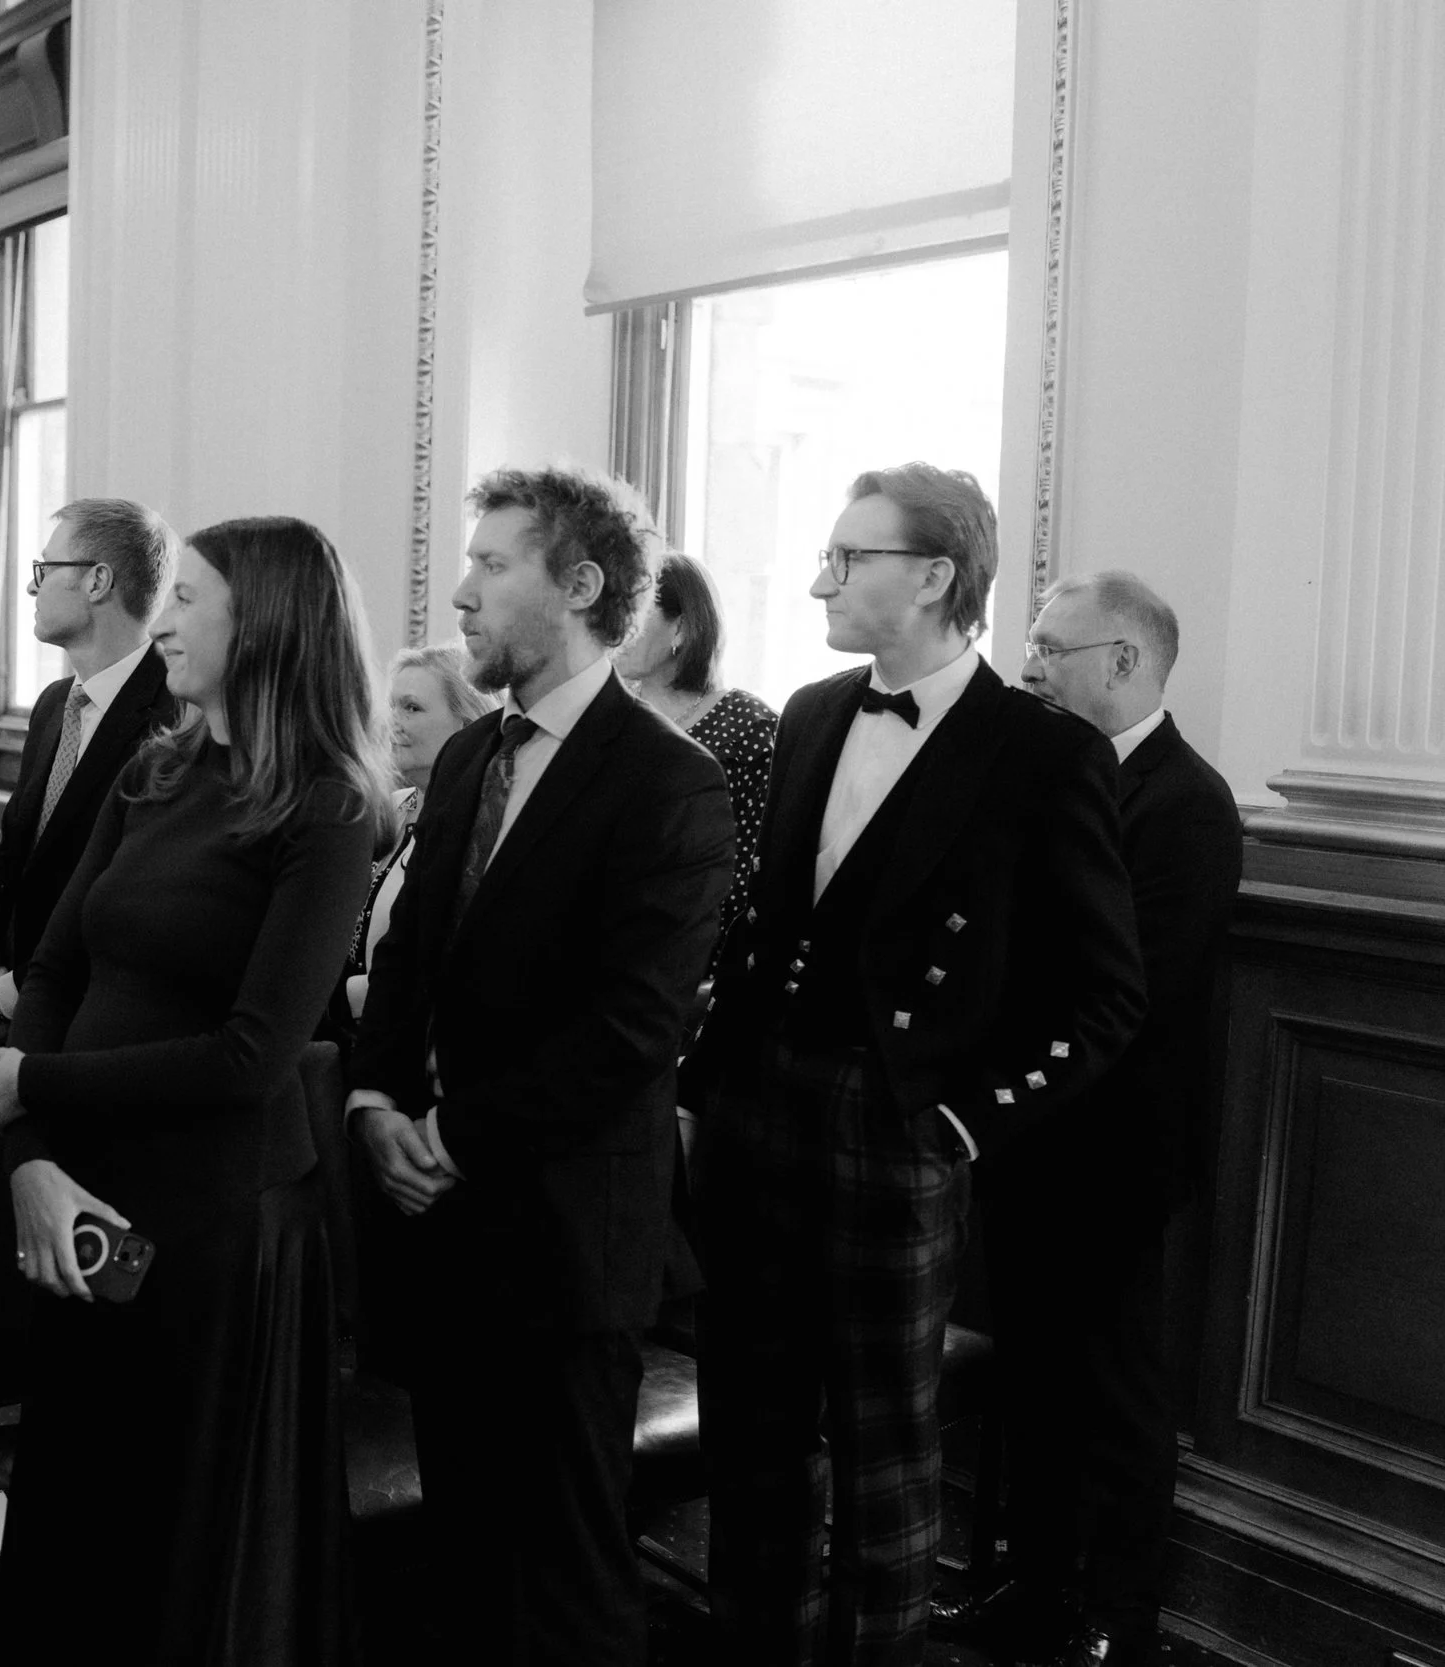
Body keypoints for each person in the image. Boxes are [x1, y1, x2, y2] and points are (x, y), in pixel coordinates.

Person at [680, 464, 1147, 1664]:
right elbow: (763, 926)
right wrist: (706, 1083)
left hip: (898, 1129)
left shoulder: (1040, 751)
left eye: (849, 557)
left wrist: (967, 1124)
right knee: (752, 1430)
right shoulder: (813, 710)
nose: (821, 577)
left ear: (934, 576)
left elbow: (1107, 997)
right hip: (759, 1109)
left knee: (888, 1452)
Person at [0, 515, 388, 1665]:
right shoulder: (156, 769)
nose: (162, 620)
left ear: (263, 625)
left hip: (212, 1222)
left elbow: (253, 1055)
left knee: (178, 1539)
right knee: (73, 1513)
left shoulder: (326, 808)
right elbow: (57, 965)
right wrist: (35, 1161)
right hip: (79, 1195)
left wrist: (33, 1085)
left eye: (191, 600)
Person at [348, 467, 736, 1663]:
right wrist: (372, 1100)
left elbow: (631, 1029)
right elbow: (408, 954)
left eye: (489, 564)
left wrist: (452, 1137)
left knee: (562, 1562)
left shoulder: (671, 782)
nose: (459, 591)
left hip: (566, 1231)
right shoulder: (470, 759)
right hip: (440, 1219)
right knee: (460, 1542)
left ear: (577, 585)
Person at [956, 573, 1241, 1667]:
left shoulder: (1186, 804)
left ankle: (1122, 1615)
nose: (1025, 662)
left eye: (1047, 644)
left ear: (1121, 659)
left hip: (1117, 1150)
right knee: (1031, 1379)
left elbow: (1129, 990)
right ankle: (1031, 1591)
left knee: (1117, 1392)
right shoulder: (1043, 776)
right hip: (1026, 1135)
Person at [0, 497, 180, 1044]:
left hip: (95, 1019)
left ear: (97, 582)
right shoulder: (54, 703)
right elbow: (12, 855)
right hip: (15, 998)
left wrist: (19, 991)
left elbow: (122, 889)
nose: (32, 588)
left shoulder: (173, 717)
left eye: (45, 569)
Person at [616, 551, 778, 966]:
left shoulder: (746, 724)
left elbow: (753, 867)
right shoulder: (605, 718)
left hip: (698, 963)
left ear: (683, 626)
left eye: (634, 608)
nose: (616, 625)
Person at [335, 640, 495, 1029]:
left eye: (412, 707)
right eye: (392, 706)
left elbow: (446, 967)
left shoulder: (483, 824)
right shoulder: (391, 805)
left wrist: (333, 1001)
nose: (392, 722)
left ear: (467, 724)